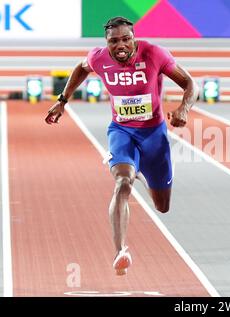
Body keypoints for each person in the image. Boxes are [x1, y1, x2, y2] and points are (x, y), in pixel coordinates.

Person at [45, 17, 199, 275]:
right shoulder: (98, 58)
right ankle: (120, 251)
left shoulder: (154, 53)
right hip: (121, 131)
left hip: (154, 136)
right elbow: (81, 68)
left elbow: (190, 84)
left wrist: (184, 108)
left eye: (126, 39)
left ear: (133, 38)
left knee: (162, 206)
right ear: (107, 43)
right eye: (113, 41)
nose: (120, 45)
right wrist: (63, 100)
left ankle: (141, 171)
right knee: (122, 183)